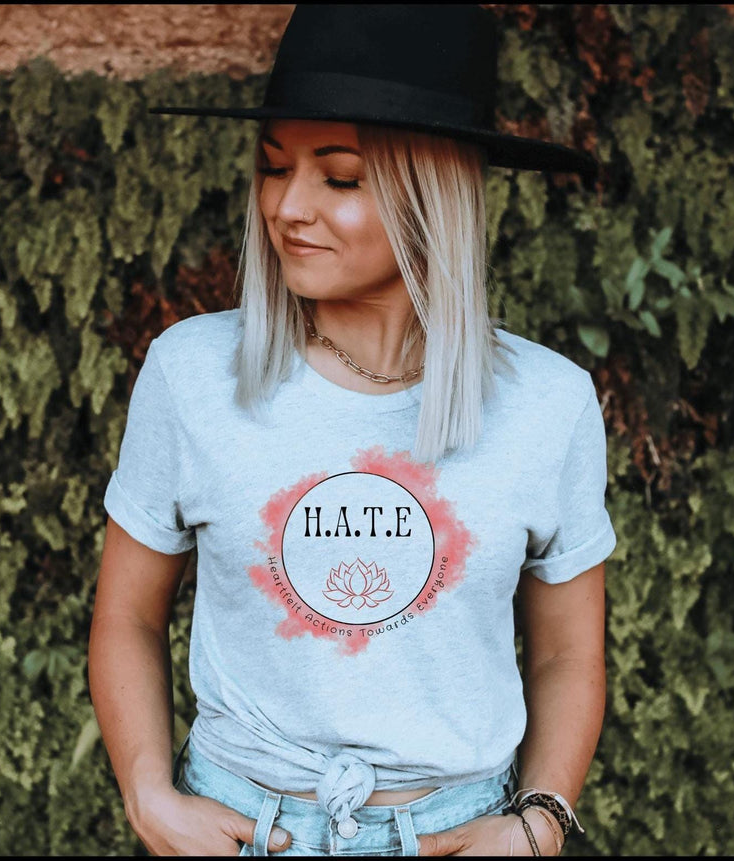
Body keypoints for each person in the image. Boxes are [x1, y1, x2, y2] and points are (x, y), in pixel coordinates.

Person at [88, 5, 616, 857]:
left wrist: (540, 826)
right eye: (273, 168)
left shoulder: (548, 403)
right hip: (237, 829)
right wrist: (149, 794)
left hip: (460, 837)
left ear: (431, 188)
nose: (287, 206)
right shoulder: (190, 374)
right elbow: (126, 617)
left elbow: (567, 653)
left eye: (338, 178)